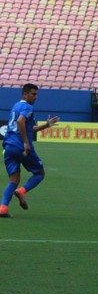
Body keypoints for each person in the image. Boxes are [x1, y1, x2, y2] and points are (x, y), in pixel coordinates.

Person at [1, 83, 59, 218]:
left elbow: (27, 127)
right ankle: (22, 191)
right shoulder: (28, 107)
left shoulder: (16, 106)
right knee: (40, 173)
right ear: (25, 94)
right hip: (21, 147)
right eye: (33, 94)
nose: (36, 97)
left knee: (13, 179)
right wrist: (26, 142)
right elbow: (21, 122)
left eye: (37, 94)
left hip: (8, 146)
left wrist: (45, 125)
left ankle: (3, 208)